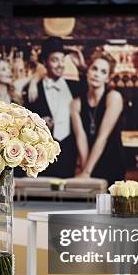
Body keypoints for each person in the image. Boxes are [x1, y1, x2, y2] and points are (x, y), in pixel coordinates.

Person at [23, 37, 83, 177]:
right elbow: (24, 125)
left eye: (63, 60)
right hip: (43, 159)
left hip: (71, 156)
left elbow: (97, 90)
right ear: (45, 62)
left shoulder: (75, 87)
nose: (60, 64)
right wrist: (39, 124)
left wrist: (81, 67)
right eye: (55, 60)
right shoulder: (33, 89)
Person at [71, 51, 125, 184]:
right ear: (87, 71)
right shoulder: (76, 104)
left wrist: (87, 172)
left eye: (103, 72)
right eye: (94, 69)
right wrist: (86, 171)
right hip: (88, 162)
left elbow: (103, 137)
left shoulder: (114, 97)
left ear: (107, 78)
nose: (96, 74)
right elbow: (80, 138)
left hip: (112, 162)